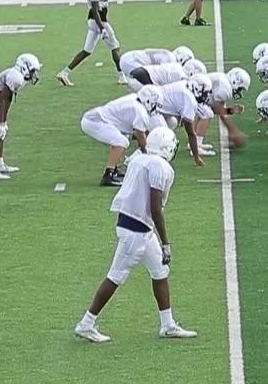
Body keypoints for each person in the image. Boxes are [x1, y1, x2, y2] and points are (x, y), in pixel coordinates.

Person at [74, 126, 197, 343]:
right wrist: (166, 242)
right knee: (115, 276)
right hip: (136, 230)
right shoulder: (160, 167)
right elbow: (155, 207)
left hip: (135, 224)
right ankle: (86, 323)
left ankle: (167, 325)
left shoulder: (140, 159)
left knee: (160, 270)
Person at [56, 0, 125, 87]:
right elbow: (94, 9)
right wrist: (102, 27)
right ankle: (122, 76)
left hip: (96, 21)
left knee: (87, 50)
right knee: (115, 46)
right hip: (98, 20)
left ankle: (64, 73)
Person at [81, 85, 160, 187]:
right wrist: (148, 153)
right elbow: (140, 135)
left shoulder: (133, 98)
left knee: (122, 138)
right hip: (94, 121)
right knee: (121, 141)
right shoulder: (140, 111)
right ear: (148, 100)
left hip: (96, 118)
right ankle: (108, 175)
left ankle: (113, 170)